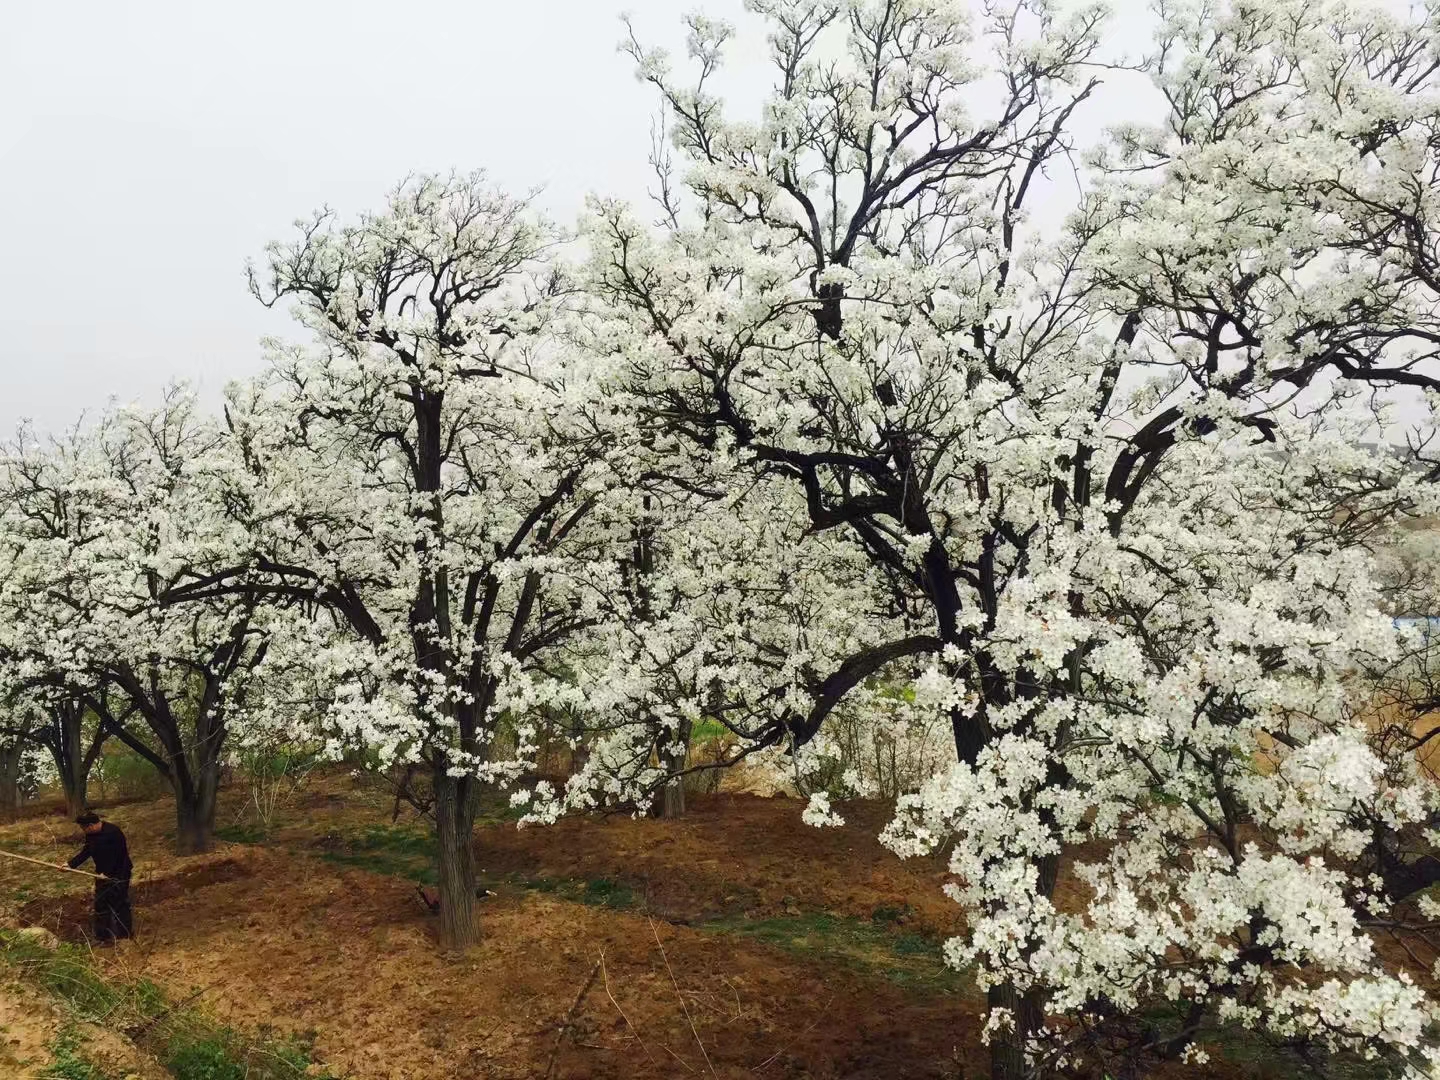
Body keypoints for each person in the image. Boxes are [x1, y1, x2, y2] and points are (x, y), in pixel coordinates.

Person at [68, 811, 133, 943]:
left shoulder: (113, 833)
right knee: (101, 904)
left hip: (119, 873)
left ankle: (125, 937)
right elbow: (87, 851)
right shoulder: (91, 835)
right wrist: (70, 864)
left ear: (90, 825)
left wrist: (108, 874)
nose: (83, 831)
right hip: (101, 874)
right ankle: (103, 937)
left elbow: (119, 856)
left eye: (83, 828)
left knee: (120, 904)